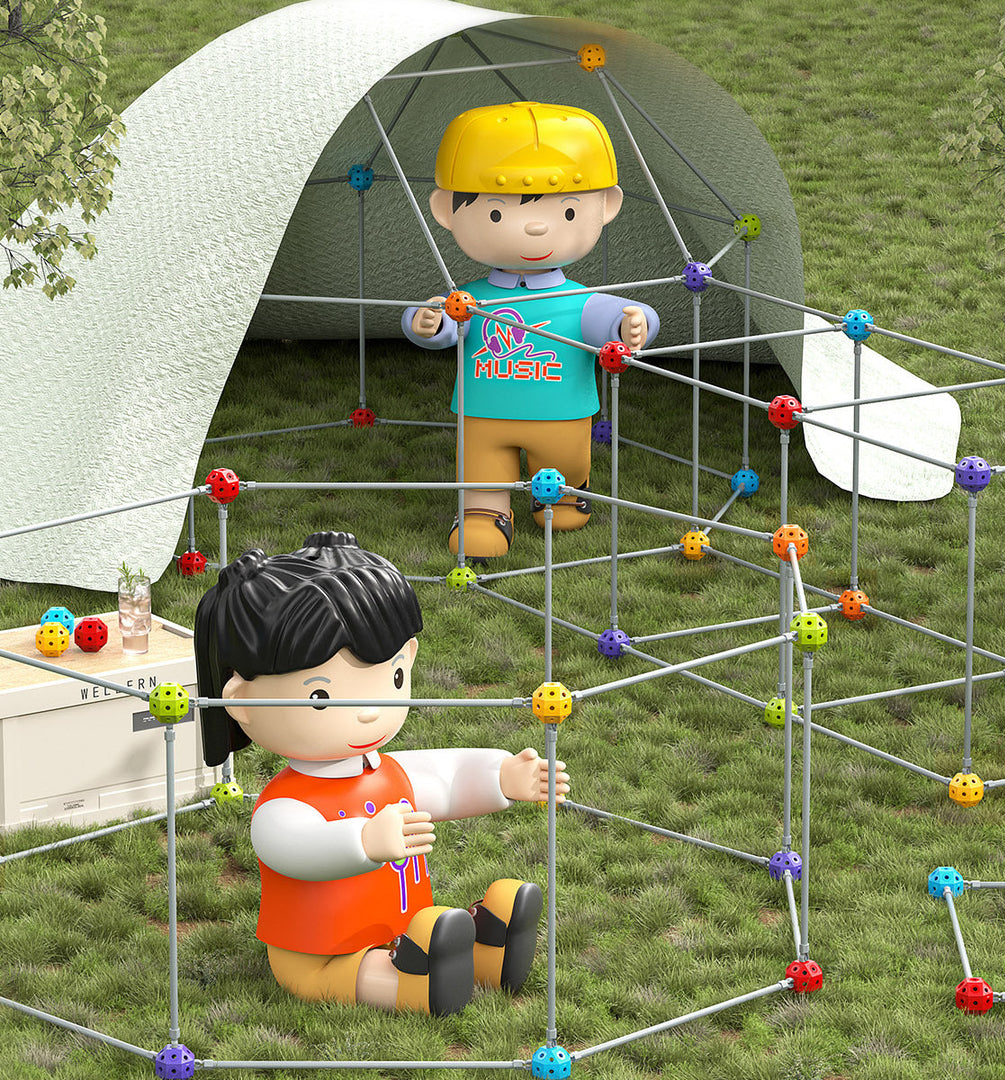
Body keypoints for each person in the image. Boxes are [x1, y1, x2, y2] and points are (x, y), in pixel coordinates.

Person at [194, 531, 569, 1015]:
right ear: (243, 705)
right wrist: (364, 841)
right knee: (354, 972)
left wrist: (502, 778)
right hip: (317, 952)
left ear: (407, 658)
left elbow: (449, 779)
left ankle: (486, 947)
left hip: (404, 926)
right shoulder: (283, 805)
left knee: (422, 940)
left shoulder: (390, 772)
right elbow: (292, 848)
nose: (369, 711)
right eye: (322, 696)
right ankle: (414, 979)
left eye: (390, 677)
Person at [403, 101, 660, 558]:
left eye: (566, 213)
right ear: (446, 210)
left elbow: (608, 317)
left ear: (607, 206)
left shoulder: (576, 298)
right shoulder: (470, 298)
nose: (537, 228)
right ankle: (484, 514)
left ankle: (565, 492)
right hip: (483, 413)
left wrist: (633, 322)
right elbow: (443, 324)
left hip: (561, 416)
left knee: (563, 465)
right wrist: (426, 321)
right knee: (481, 472)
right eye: (498, 214)